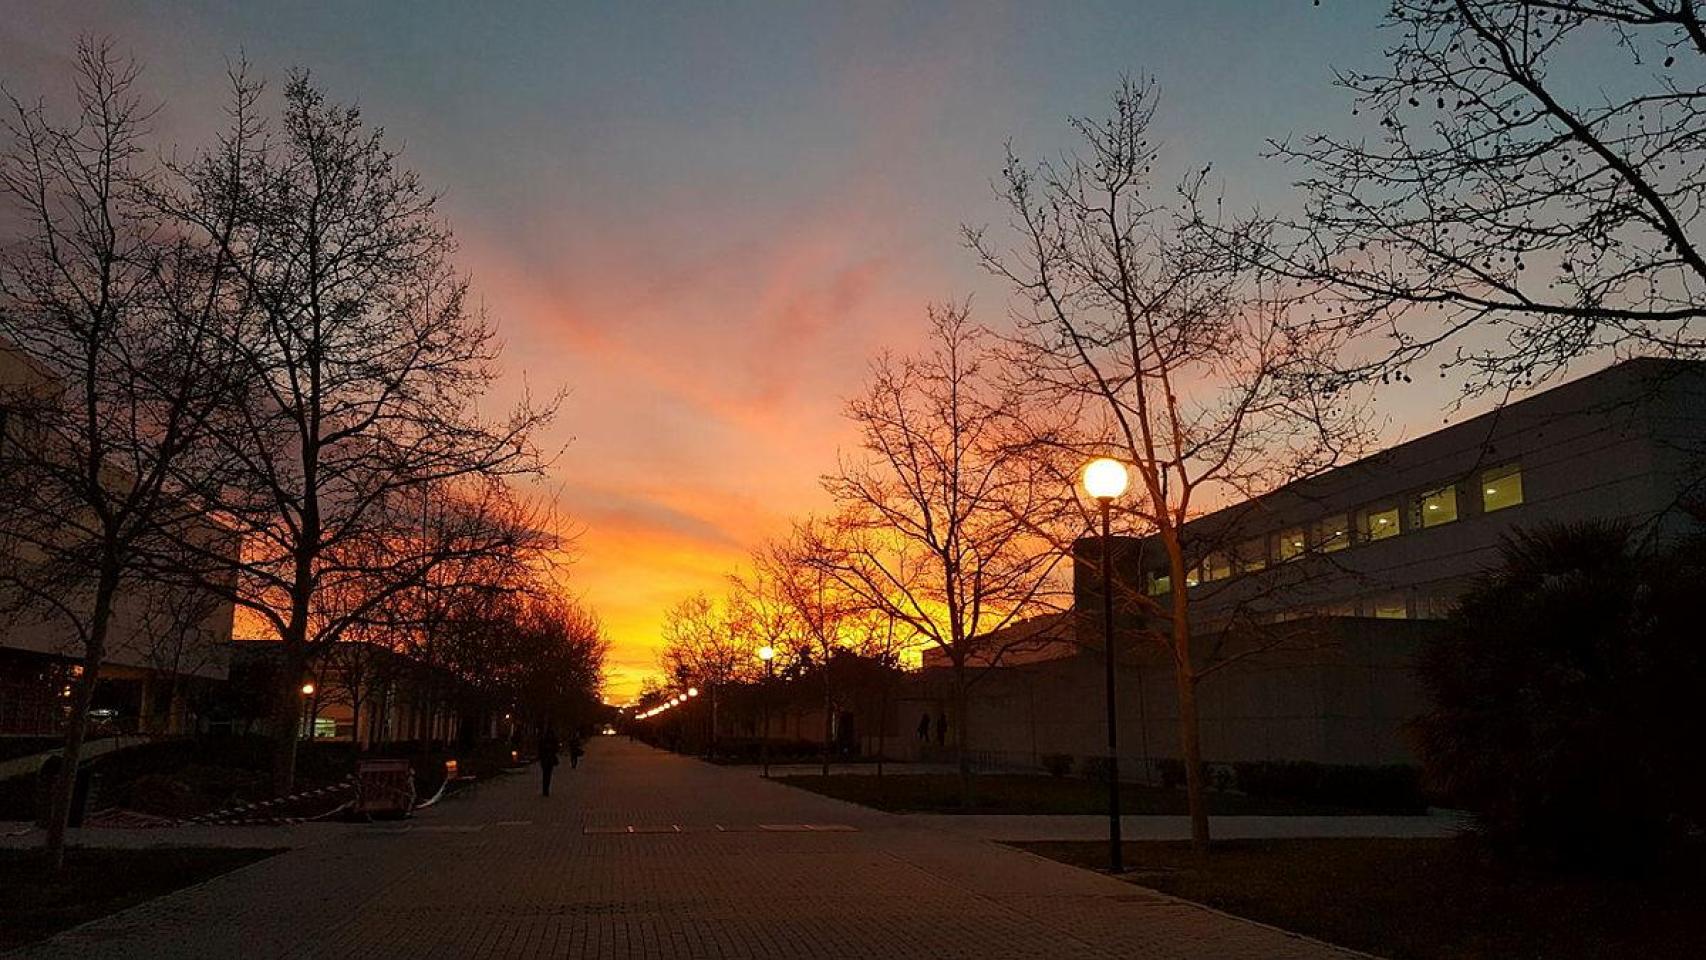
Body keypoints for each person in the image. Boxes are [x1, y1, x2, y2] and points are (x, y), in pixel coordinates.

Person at [538, 726, 561, 797]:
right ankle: (546, 789)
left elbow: (540, 749)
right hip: (548, 759)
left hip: (546, 759)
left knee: (546, 775)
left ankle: (545, 789)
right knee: (547, 775)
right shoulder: (551, 740)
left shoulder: (544, 739)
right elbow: (556, 749)